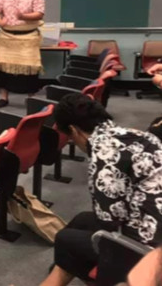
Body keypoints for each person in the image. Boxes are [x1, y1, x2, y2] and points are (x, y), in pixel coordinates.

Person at [40, 93, 162, 286]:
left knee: (65, 239)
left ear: (74, 130)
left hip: (151, 251)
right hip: (154, 225)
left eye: (69, 136)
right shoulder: (138, 135)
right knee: (81, 220)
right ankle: (62, 269)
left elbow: (111, 221)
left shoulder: (104, 156)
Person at [0, 0, 45, 108]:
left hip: (27, 38)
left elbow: (39, 13)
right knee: (4, 69)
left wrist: (23, 16)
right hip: (7, 38)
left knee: (30, 70)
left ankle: (31, 98)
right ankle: (4, 98)